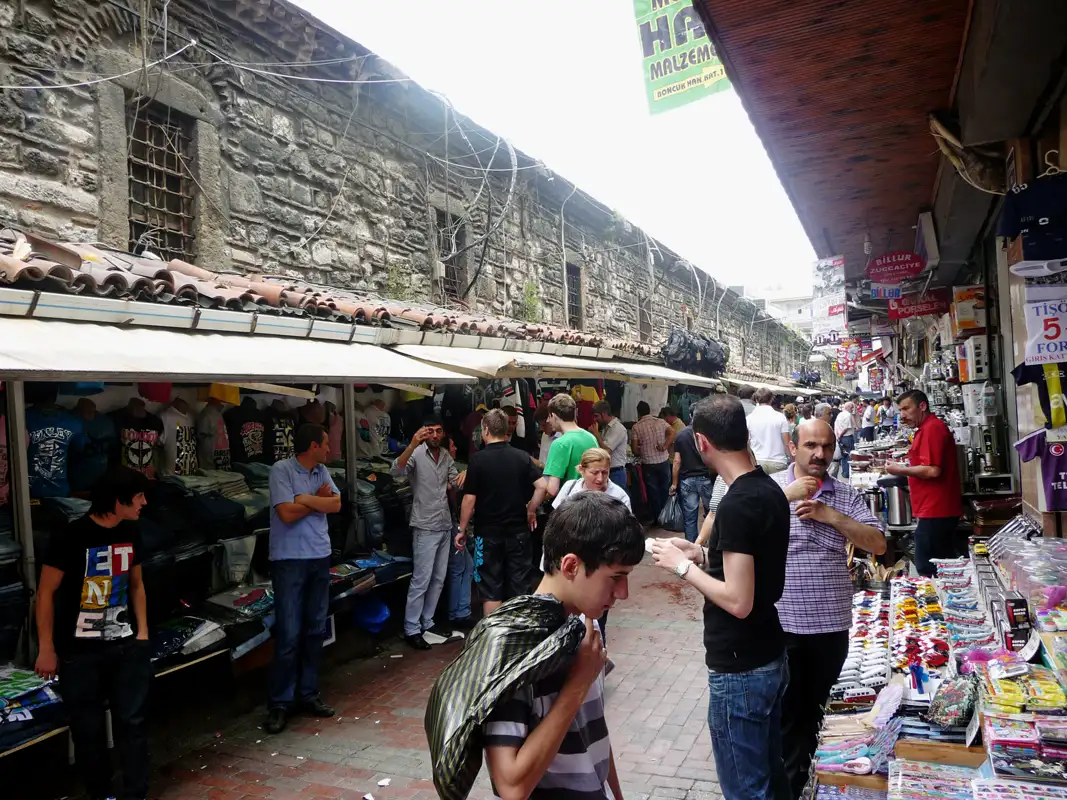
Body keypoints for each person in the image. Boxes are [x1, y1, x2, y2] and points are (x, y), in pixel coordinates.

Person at [650, 395, 790, 800]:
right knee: (770, 774)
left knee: (746, 788)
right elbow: (749, 565)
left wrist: (682, 566)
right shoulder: (768, 490)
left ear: (701, 443)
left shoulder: (737, 504)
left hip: (741, 666)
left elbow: (738, 600)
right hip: (767, 653)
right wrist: (703, 554)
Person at [482, 492, 642, 800]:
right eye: (616, 577)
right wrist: (578, 683)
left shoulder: (584, 631)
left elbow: (593, 736)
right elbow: (511, 786)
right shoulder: (513, 647)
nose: (623, 593)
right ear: (570, 566)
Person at [774, 420, 886, 798]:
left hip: (831, 625)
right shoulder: (772, 490)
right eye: (810, 446)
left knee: (823, 711)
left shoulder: (846, 495)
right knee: (790, 719)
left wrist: (829, 515)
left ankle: (817, 781)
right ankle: (792, 787)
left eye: (826, 446)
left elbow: (878, 544)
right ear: (793, 447)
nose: (819, 454)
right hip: (783, 624)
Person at [35, 467, 152, 800]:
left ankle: (135, 793)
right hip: (80, 652)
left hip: (126, 646)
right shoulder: (71, 536)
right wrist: (47, 648)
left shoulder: (132, 531)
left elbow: (137, 584)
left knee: (134, 724)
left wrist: (142, 632)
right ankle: (100, 793)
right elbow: (44, 594)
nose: (145, 502)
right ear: (118, 501)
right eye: (139, 496)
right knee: (88, 732)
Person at [265, 423, 341, 734]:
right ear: (312, 446)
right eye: (325, 444)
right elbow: (284, 513)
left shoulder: (322, 471)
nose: (329, 449)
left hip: (319, 557)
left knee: (314, 629)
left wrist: (304, 500)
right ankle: (280, 702)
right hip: (289, 560)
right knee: (289, 633)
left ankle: (309, 693)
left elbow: (335, 504)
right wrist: (315, 501)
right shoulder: (280, 470)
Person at [457, 410, 542, 617]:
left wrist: (462, 529)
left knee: (490, 590)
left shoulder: (478, 461)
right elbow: (542, 487)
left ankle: (493, 641)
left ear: (485, 430)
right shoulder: (522, 457)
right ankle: (518, 637)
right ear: (505, 430)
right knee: (519, 588)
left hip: (487, 535)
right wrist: (531, 509)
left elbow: (469, 499)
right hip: (518, 534)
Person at [393, 416, 460, 650]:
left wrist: (466, 477)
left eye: (438, 431)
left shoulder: (444, 455)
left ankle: (427, 622)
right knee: (421, 579)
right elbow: (396, 472)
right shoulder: (416, 454)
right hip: (424, 524)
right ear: (423, 433)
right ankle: (411, 628)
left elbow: (454, 480)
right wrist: (411, 444)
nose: (434, 435)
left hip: (444, 523)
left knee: (439, 577)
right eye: (429, 431)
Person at [886, 390, 962, 576]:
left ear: (922, 406)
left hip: (937, 509)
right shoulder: (926, 428)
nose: (902, 415)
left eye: (906, 408)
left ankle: (937, 602)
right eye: (900, 410)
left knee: (928, 566)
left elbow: (932, 470)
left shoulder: (932, 429)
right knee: (938, 564)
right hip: (932, 508)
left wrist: (900, 470)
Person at [528, 393, 598, 511]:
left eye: (549, 417)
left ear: (554, 416)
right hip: (592, 504)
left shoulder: (560, 444)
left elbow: (552, 489)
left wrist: (532, 503)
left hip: (570, 509)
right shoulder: (591, 438)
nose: (549, 421)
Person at [631, 400, 676, 520]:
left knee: (653, 492)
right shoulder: (661, 422)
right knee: (665, 488)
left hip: (648, 464)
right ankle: (668, 516)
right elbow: (672, 432)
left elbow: (634, 450)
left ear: (638, 413)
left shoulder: (636, 427)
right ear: (649, 410)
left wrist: (643, 449)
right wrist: (665, 446)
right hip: (663, 461)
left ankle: (658, 518)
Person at [671, 421, 713, 543]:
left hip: (687, 480)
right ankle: (712, 545)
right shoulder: (707, 434)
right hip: (705, 478)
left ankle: (691, 548)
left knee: (690, 517)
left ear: (690, 416)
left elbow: (677, 461)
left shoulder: (680, 435)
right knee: (712, 513)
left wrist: (674, 483)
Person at [748, 387, 791, 474]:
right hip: (778, 461)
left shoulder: (749, 418)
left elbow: (747, 443)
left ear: (756, 399)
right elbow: (787, 443)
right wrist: (793, 459)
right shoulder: (780, 417)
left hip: (757, 461)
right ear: (772, 399)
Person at [591, 400, 629, 490]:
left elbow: (606, 451)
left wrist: (596, 435)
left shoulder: (618, 428)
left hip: (616, 472)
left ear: (604, 414)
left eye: (596, 416)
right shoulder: (606, 428)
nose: (595, 419)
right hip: (608, 472)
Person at [834, 401, 857, 479]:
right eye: (851, 407)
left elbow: (836, 426)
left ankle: (844, 472)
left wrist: (837, 436)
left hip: (841, 438)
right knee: (849, 455)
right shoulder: (848, 415)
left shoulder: (840, 414)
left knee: (843, 455)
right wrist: (840, 435)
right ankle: (847, 473)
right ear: (847, 407)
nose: (852, 409)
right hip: (847, 437)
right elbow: (846, 427)